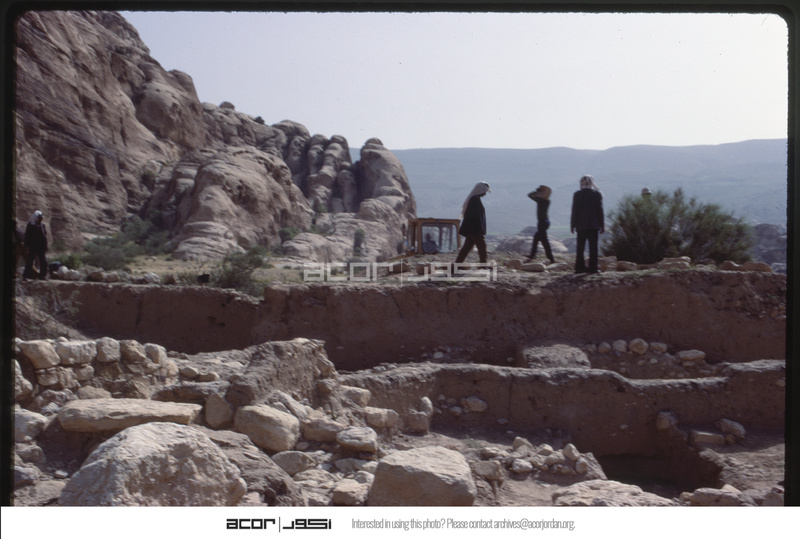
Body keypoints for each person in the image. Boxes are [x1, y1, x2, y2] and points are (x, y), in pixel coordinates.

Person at [570, 175, 604, 274]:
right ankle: (593, 268)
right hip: (593, 225)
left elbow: (574, 210)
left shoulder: (577, 194)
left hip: (581, 226)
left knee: (580, 248)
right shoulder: (597, 194)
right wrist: (602, 225)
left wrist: (572, 225)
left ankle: (579, 268)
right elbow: (600, 211)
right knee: (593, 248)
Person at [455, 182, 491, 264]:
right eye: (484, 191)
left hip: (472, 229)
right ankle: (483, 264)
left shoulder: (474, 198)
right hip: (475, 229)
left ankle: (457, 265)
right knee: (482, 246)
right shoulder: (475, 199)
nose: (485, 193)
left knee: (466, 248)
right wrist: (479, 230)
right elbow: (475, 217)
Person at [526, 185, 555, 263]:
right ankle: (533, 255)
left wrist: (535, 192)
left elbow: (529, 195)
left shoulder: (540, 200)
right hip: (546, 221)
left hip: (542, 222)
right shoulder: (547, 201)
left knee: (544, 241)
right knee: (537, 238)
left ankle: (550, 259)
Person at [24, 210, 49, 280]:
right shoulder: (30, 226)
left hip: (41, 247)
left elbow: (44, 237)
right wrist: (26, 246)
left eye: (41, 218)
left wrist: (45, 246)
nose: (41, 220)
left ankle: (42, 276)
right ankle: (26, 276)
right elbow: (27, 236)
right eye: (40, 218)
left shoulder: (42, 226)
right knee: (29, 261)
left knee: (43, 262)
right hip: (33, 246)